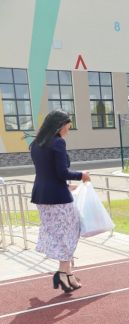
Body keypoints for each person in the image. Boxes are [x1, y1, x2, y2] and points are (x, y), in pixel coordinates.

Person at [30, 110, 90, 292]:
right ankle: (63, 273)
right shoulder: (58, 143)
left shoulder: (35, 144)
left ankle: (68, 274)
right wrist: (82, 175)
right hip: (58, 199)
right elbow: (62, 172)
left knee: (58, 233)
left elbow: (48, 172)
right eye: (68, 125)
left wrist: (65, 186)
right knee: (70, 233)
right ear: (59, 125)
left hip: (42, 196)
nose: (68, 129)